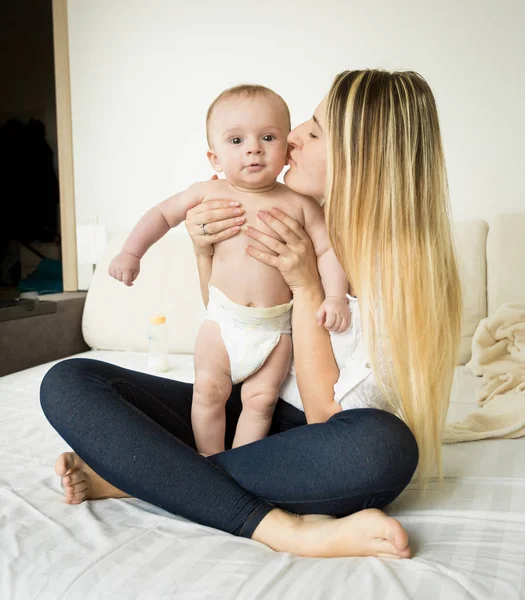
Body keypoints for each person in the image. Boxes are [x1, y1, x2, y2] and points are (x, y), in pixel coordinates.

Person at [40, 69, 462, 559]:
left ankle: (142, 477)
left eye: (317, 130)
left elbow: (324, 414)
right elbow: (233, 316)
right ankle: (261, 518)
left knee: (384, 449)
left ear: (362, 160)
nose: (295, 135)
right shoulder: (294, 213)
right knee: (69, 380)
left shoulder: (397, 271)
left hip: (313, 441)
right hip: (240, 400)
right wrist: (203, 251)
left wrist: (307, 284)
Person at [107, 84, 350, 455]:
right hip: (223, 324)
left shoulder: (301, 204)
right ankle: (209, 458)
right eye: (236, 140)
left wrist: (335, 297)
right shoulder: (207, 193)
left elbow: (328, 249)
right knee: (207, 391)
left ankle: (237, 465)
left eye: (268, 137)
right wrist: (130, 252)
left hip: (276, 329)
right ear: (215, 158)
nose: (253, 148)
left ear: (286, 149)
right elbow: (161, 214)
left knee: (261, 400)